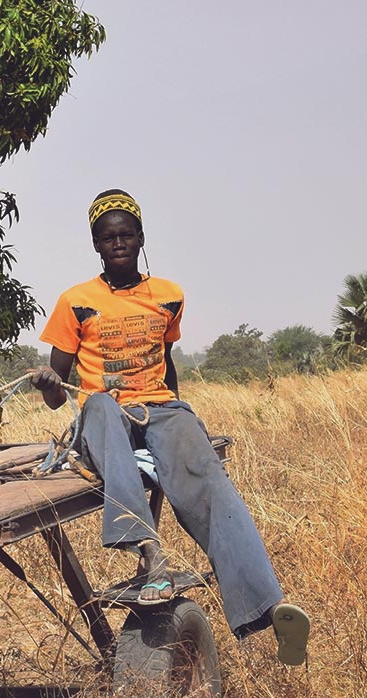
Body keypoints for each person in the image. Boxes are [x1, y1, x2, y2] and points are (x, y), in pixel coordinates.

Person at [30, 188, 310, 665]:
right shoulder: (75, 302)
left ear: (140, 238)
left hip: (160, 407)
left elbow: (167, 366)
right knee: (98, 406)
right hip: (104, 412)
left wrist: (180, 420)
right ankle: (148, 549)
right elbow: (60, 397)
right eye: (107, 237)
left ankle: (270, 604)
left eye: (126, 234)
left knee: (211, 484)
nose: (117, 243)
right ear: (96, 245)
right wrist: (49, 384)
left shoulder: (168, 296)